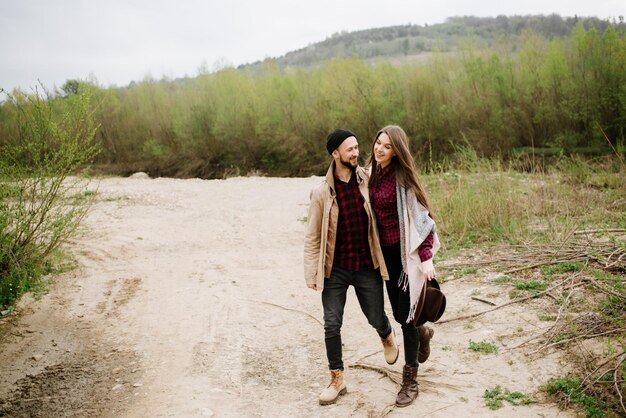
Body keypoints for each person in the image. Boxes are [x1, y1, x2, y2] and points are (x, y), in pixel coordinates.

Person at [304, 128, 399, 406]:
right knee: (331, 324)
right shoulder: (321, 193)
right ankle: (337, 379)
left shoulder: (368, 180)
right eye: (350, 149)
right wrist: (312, 272)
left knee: (374, 316)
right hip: (335, 269)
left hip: (366, 264)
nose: (356, 153)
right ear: (335, 154)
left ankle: (386, 333)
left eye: (357, 147)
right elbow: (312, 237)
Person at [367, 125, 441, 407]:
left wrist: (425, 257)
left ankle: (410, 381)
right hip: (383, 256)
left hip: (404, 256)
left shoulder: (402, 180)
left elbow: (422, 219)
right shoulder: (372, 175)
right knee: (401, 314)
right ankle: (424, 332)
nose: (379, 149)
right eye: (377, 143)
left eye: (386, 146)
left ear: (396, 150)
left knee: (406, 317)